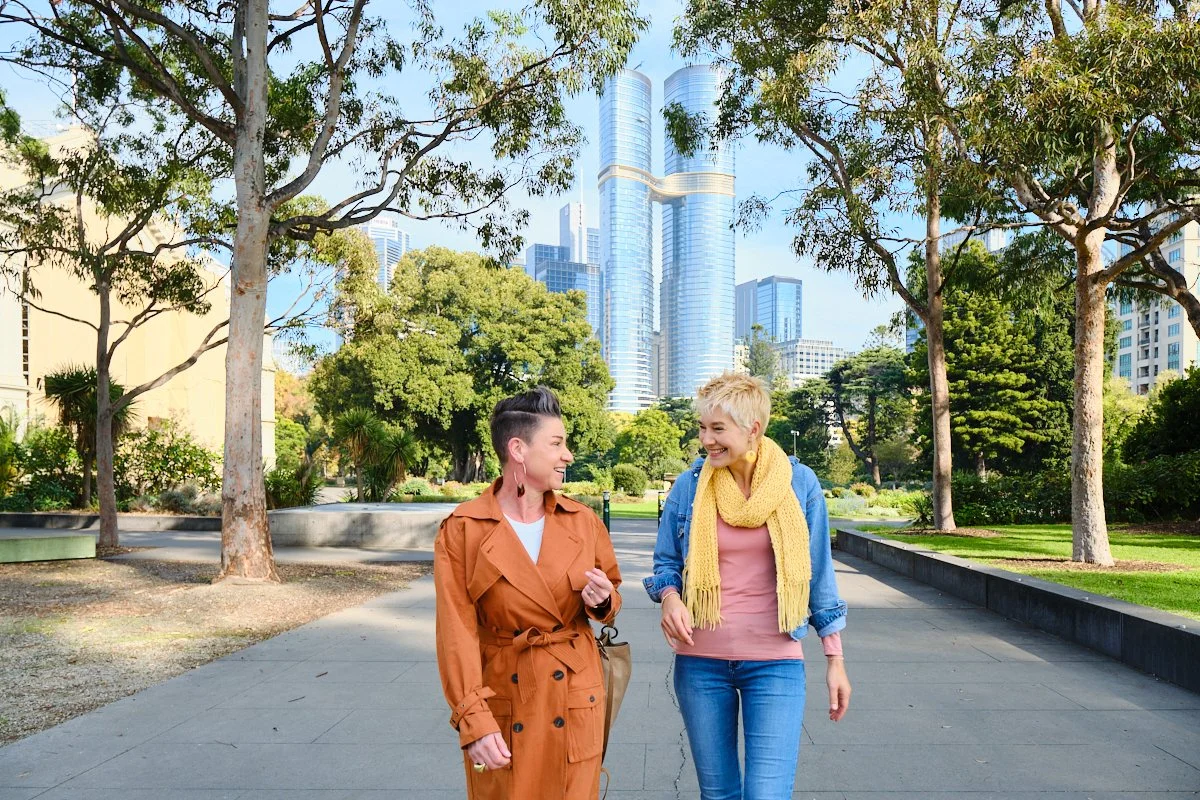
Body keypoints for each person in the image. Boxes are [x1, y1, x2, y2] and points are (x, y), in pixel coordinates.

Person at [644, 373, 851, 800]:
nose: (706, 440)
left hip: (775, 662)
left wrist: (835, 660)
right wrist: (669, 597)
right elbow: (666, 562)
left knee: (766, 794)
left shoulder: (799, 484)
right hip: (701, 661)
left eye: (718, 429)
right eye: (703, 427)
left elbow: (818, 572)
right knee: (718, 794)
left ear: (753, 428)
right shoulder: (690, 486)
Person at [435, 386, 623, 800]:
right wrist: (473, 719)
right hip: (504, 698)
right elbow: (455, 634)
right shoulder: (463, 529)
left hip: (574, 694)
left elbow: (611, 598)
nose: (567, 455)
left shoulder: (582, 521)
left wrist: (603, 601)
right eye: (556, 443)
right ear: (518, 449)